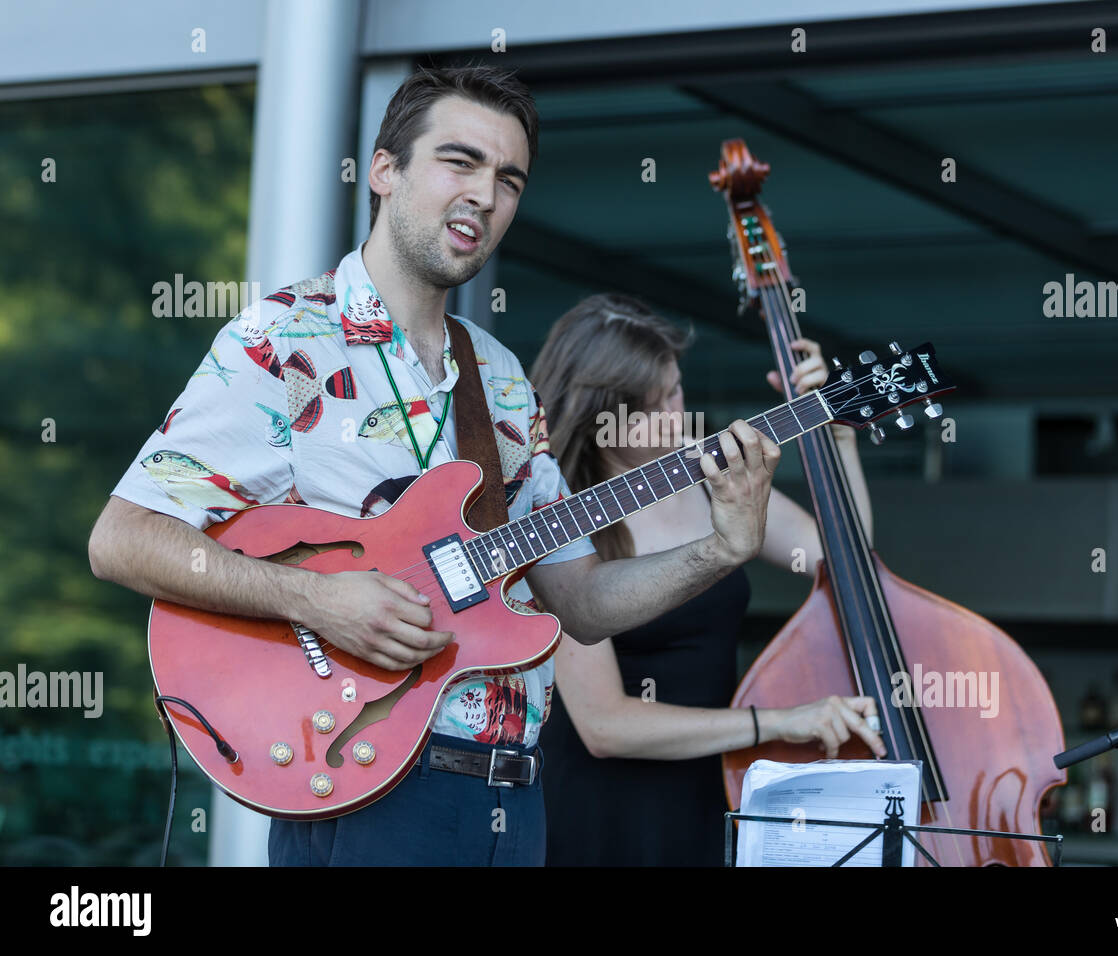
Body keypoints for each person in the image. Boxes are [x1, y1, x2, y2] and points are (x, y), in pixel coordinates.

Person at [86, 65, 781, 867]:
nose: (486, 195)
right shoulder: (285, 340)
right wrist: (316, 598)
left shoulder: (502, 382)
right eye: (461, 161)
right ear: (385, 170)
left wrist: (720, 550)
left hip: (513, 800)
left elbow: (582, 602)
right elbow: (123, 537)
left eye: (508, 179)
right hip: (370, 787)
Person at [531, 294, 884, 867]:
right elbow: (603, 724)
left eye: (675, 389)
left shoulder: (704, 474)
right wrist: (777, 724)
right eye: (653, 405)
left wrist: (836, 435)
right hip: (603, 814)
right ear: (599, 416)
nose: (678, 413)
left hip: (712, 788)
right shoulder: (558, 515)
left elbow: (843, 561)